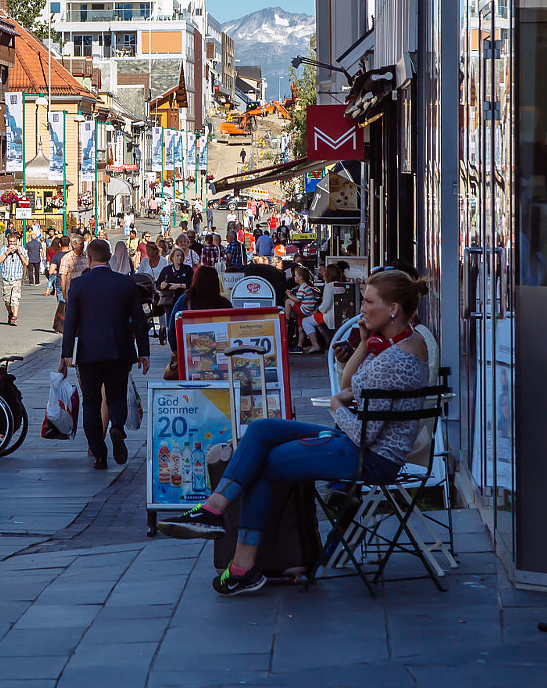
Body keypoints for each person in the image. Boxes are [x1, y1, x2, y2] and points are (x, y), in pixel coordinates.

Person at [158, 271, 433, 596]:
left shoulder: (397, 360)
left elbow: (363, 434)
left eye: (369, 302)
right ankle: (215, 511)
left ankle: (240, 565)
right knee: (261, 429)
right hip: (359, 446)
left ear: (393, 309)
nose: (362, 308)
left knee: (264, 461)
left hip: (369, 457)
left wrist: (336, 406)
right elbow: (351, 385)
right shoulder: (404, 342)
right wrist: (362, 343)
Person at [61, 238, 151, 471]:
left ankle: (99, 453)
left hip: (89, 353)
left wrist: (66, 354)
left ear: (89, 258)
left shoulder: (79, 285)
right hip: (119, 351)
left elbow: (70, 323)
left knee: (91, 403)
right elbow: (139, 321)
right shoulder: (125, 283)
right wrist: (144, 352)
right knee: (116, 396)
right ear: (110, 257)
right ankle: (117, 428)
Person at [156, 248, 194, 341]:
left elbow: (191, 284)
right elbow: (158, 284)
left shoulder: (187, 269)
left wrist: (179, 285)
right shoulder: (166, 270)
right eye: (177, 256)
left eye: (181, 256)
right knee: (171, 319)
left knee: (182, 318)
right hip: (169, 299)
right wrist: (161, 285)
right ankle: (172, 339)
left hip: (182, 298)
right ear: (172, 257)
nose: (179, 258)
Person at [0, 236, 25, 324]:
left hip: (17, 278)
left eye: (14, 242)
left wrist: (20, 253)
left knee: (15, 298)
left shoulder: (21, 249)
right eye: (10, 242)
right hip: (7, 278)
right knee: (7, 300)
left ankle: (15, 317)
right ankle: (10, 313)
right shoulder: (3, 249)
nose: (12, 244)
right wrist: (7, 252)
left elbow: (26, 262)